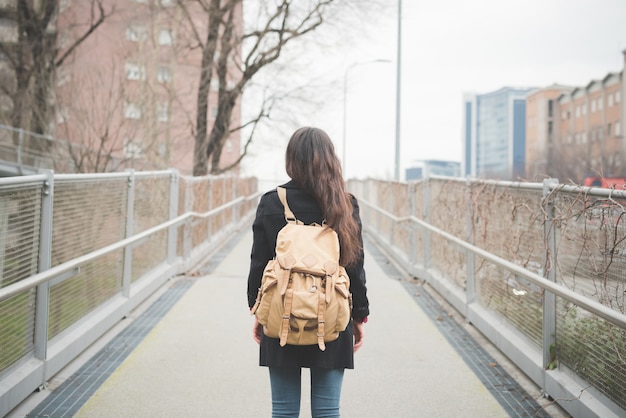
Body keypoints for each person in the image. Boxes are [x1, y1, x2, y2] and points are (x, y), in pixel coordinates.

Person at [247, 126, 370, 418]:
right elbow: (354, 266)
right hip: (331, 315)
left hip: (281, 314)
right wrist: (358, 316)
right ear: (330, 159)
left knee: (284, 411)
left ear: (291, 159)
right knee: (328, 411)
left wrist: (258, 310)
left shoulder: (272, 201)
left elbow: (259, 264)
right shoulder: (345, 204)